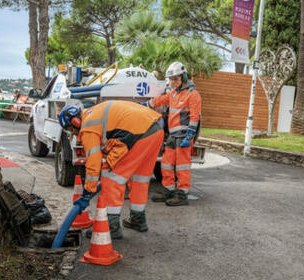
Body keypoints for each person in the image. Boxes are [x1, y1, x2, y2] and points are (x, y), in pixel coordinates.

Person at [58, 101, 164, 239]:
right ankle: (138, 219)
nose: (73, 133)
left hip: (137, 134)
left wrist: (87, 192)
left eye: (71, 130)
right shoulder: (93, 114)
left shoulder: (87, 128)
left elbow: (94, 162)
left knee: (110, 176)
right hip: (155, 130)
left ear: (75, 122)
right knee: (139, 178)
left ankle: (110, 226)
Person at [150, 62, 202, 206]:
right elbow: (159, 100)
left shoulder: (193, 94)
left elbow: (195, 117)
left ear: (183, 77)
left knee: (182, 166)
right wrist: (146, 105)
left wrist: (189, 136)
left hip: (184, 136)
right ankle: (168, 190)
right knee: (166, 164)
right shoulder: (173, 94)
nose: (172, 82)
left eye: (175, 79)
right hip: (173, 136)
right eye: (171, 79)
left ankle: (181, 194)